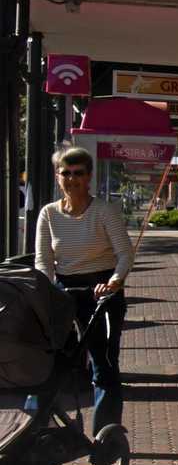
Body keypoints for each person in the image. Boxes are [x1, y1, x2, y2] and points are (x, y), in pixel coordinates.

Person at [34, 145, 132, 435]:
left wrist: (113, 282)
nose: (72, 179)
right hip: (65, 291)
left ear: (89, 177)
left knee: (103, 364)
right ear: (57, 176)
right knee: (50, 362)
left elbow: (125, 254)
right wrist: (45, 294)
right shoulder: (48, 214)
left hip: (101, 291)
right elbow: (44, 260)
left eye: (78, 173)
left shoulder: (104, 211)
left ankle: (106, 435)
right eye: (66, 173)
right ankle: (37, 430)